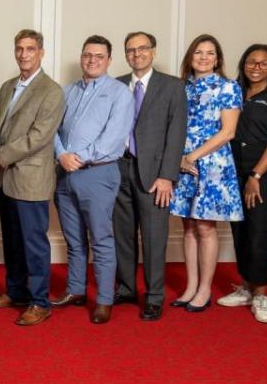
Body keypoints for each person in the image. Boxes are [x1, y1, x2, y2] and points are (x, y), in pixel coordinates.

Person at [51, 35, 133, 324]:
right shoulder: (67, 91)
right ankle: (75, 290)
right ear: (81, 57)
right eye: (88, 55)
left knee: (100, 239)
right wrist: (62, 155)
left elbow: (112, 139)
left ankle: (104, 299)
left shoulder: (119, 93)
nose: (92, 60)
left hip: (98, 174)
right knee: (73, 239)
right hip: (65, 174)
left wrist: (78, 157)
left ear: (109, 60)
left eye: (99, 56)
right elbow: (54, 130)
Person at [0, 29, 65, 326]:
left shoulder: (51, 90)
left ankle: (39, 301)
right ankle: (16, 291)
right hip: (5, 178)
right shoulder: (7, 87)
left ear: (41, 53)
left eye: (30, 49)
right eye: (19, 49)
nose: (23, 54)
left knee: (34, 243)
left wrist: (0, 155)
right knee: (13, 240)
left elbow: (39, 137)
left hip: (30, 178)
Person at [111, 32, 187, 322]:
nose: (136, 54)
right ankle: (127, 288)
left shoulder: (172, 87)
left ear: (153, 52)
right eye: (130, 50)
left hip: (155, 175)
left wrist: (168, 175)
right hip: (119, 169)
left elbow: (176, 133)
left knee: (155, 237)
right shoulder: (116, 85)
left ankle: (154, 296)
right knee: (123, 235)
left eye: (142, 49)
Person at [169, 34, 244, 313]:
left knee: (205, 227)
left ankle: (204, 289)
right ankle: (190, 286)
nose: (203, 57)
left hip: (212, 165)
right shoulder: (182, 88)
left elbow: (228, 131)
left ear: (217, 59)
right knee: (187, 226)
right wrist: (179, 157)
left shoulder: (227, 87)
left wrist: (193, 156)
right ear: (190, 56)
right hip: (183, 163)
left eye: (209, 53)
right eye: (198, 52)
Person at [219, 44, 267, 324]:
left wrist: (256, 176)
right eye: (251, 62)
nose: (256, 67)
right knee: (240, 230)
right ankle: (247, 287)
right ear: (244, 64)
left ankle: (261, 294)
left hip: (264, 175)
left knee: (259, 232)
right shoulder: (236, 91)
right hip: (233, 170)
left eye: (263, 63)